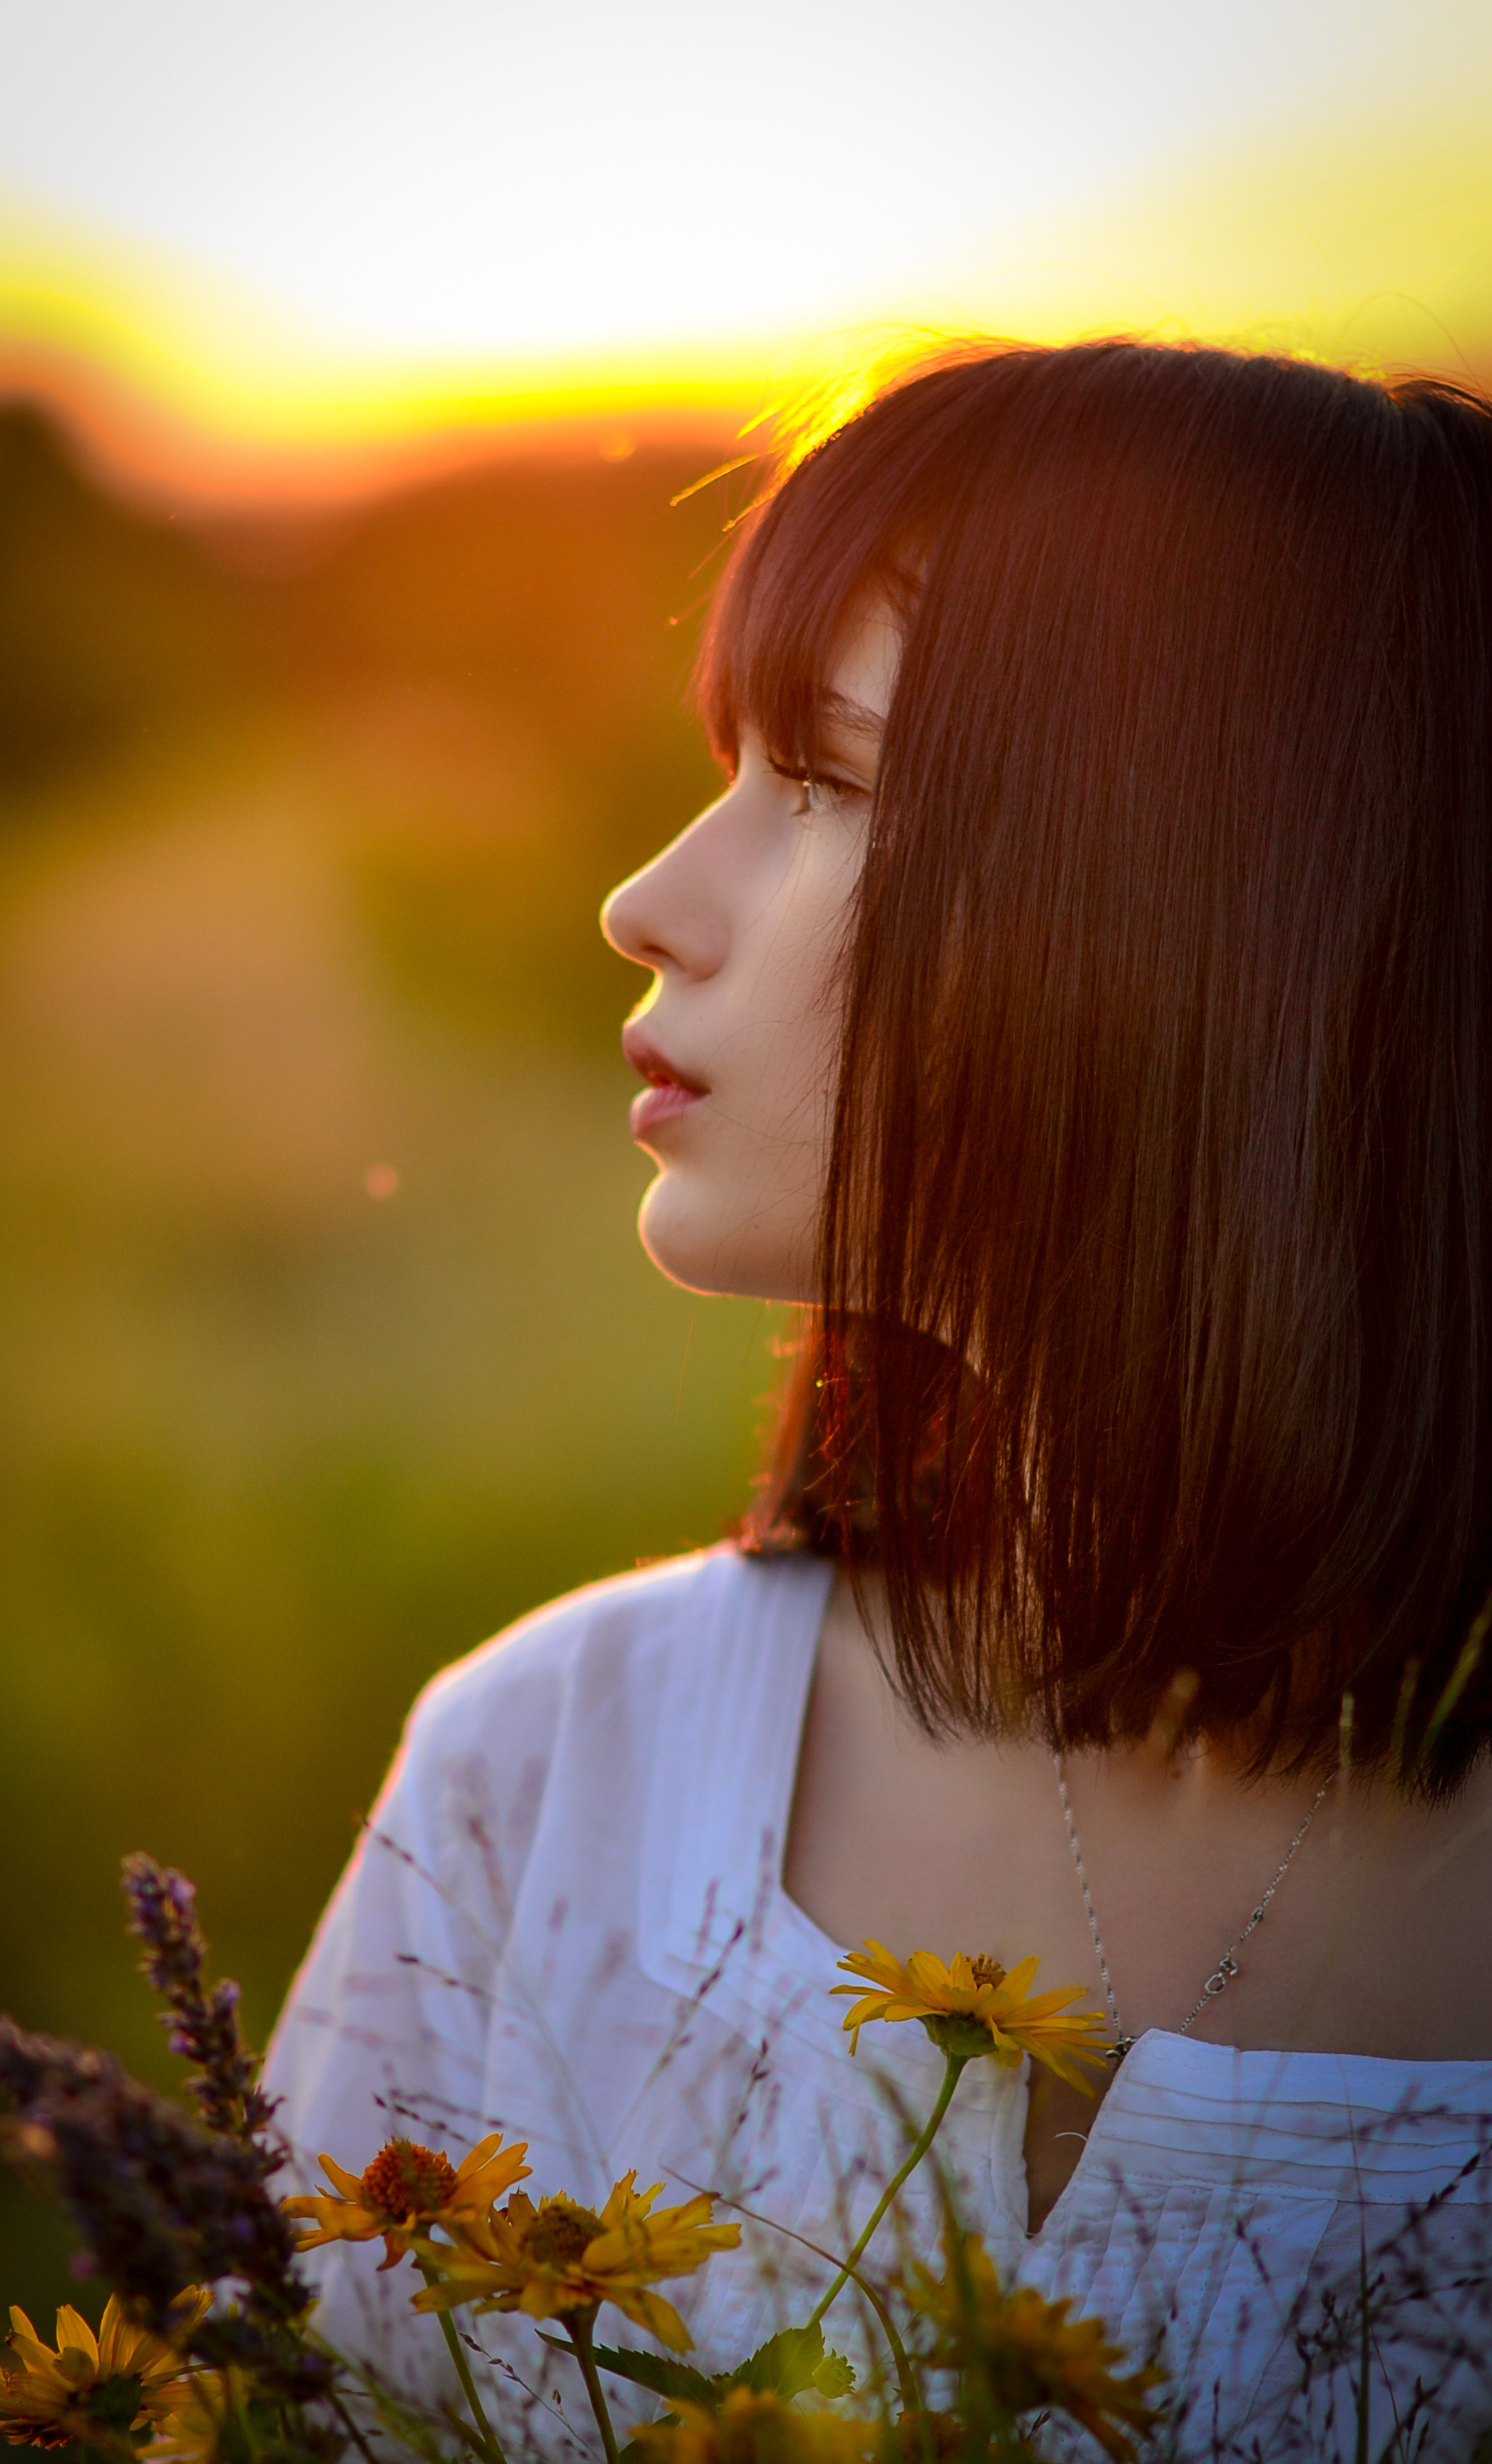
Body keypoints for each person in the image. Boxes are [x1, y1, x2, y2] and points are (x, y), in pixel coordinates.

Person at [262, 339, 1492, 2458]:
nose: (648, 903)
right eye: (728, 768)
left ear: (1219, 920)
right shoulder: (552, 1775)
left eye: (823, 782)